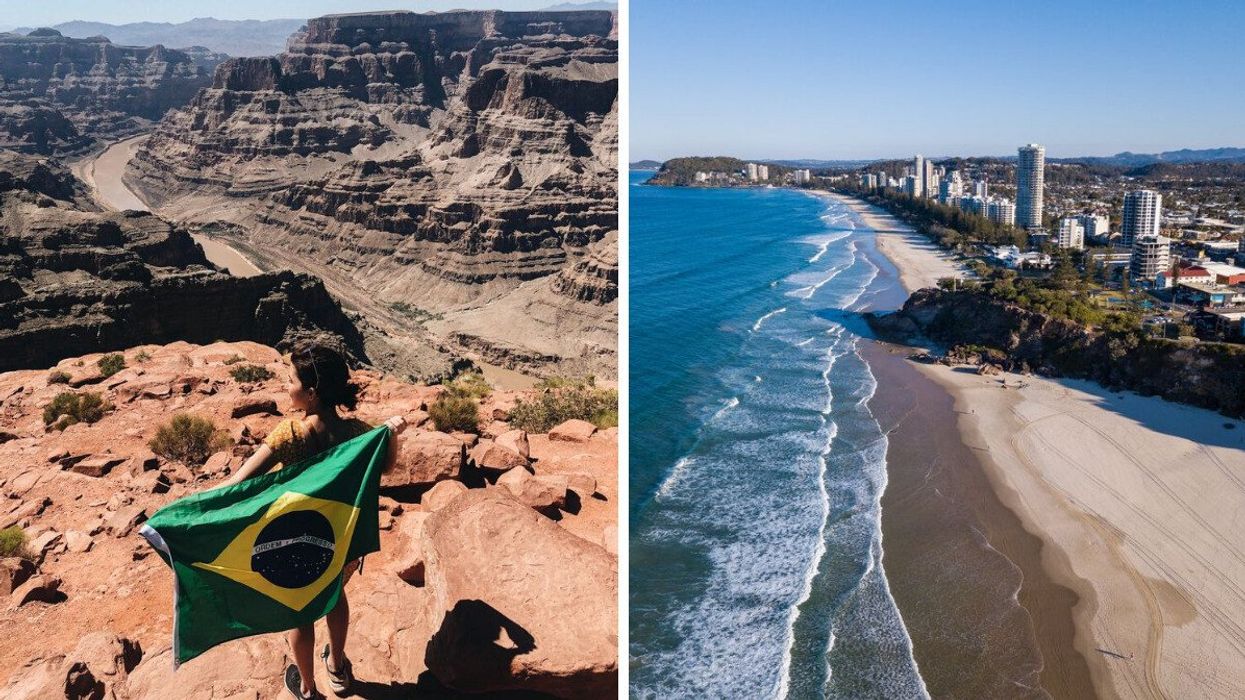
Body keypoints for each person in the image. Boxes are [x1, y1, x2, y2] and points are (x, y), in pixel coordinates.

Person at [215, 342, 407, 699]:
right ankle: (337, 667)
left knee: (301, 614)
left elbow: (239, 483)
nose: (287, 387)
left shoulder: (288, 435)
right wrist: (391, 436)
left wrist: (192, 506)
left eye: (291, 380)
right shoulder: (357, 434)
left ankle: (307, 688)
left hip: (297, 546)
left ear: (312, 392)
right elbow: (387, 467)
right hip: (340, 544)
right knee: (334, 596)